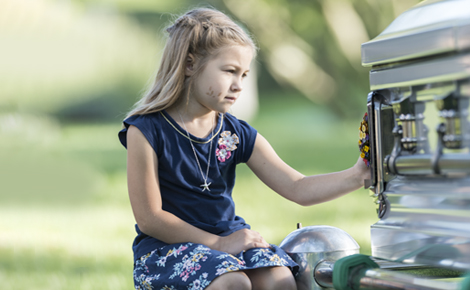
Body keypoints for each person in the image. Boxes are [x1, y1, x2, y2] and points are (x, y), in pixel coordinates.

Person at [118, 7, 370, 290]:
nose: (238, 85)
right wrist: (219, 243)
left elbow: (298, 187)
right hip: (167, 250)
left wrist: (359, 174)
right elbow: (150, 218)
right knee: (233, 282)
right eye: (229, 71)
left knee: (280, 280)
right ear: (190, 65)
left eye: (244, 75)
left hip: (230, 241)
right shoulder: (146, 129)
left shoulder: (235, 132)